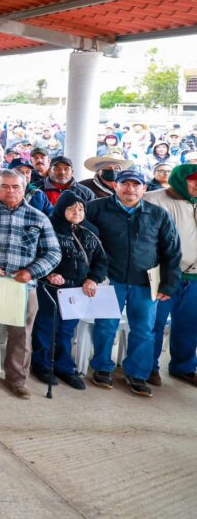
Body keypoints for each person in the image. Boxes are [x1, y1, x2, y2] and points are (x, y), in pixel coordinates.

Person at [0, 169, 60, 399]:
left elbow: (53, 253)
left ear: (24, 188)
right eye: (5, 186)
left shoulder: (38, 217)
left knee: (21, 332)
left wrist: (31, 272)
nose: (10, 191)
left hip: (24, 285)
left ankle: (17, 379)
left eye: (16, 187)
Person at [85, 169, 182, 397]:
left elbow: (172, 251)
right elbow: (84, 240)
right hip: (110, 278)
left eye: (135, 185)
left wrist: (169, 284)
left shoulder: (158, 214)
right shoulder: (96, 208)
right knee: (106, 326)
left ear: (144, 188)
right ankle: (101, 367)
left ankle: (137, 373)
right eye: (125, 184)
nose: (130, 189)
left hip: (146, 282)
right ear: (115, 186)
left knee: (144, 330)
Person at [31, 192, 106, 391]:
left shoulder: (90, 231)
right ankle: (42, 365)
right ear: (61, 208)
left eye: (80, 208)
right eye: (71, 208)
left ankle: (64, 367)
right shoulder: (48, 227)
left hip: (76, 290)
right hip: (50, 288)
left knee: (66, 330)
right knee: (46, 327)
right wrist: (50, 273)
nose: (77, 212)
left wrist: (93, 278)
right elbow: (36, 254)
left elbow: (101, 260)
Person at [145, 163, 197, 387]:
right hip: (164, 274)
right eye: (192, 180)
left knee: (189, 324)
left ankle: (183, 367)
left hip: (195, 276)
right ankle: (148, 367)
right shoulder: (153, 198)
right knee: (154, 323)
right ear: (179, 179)